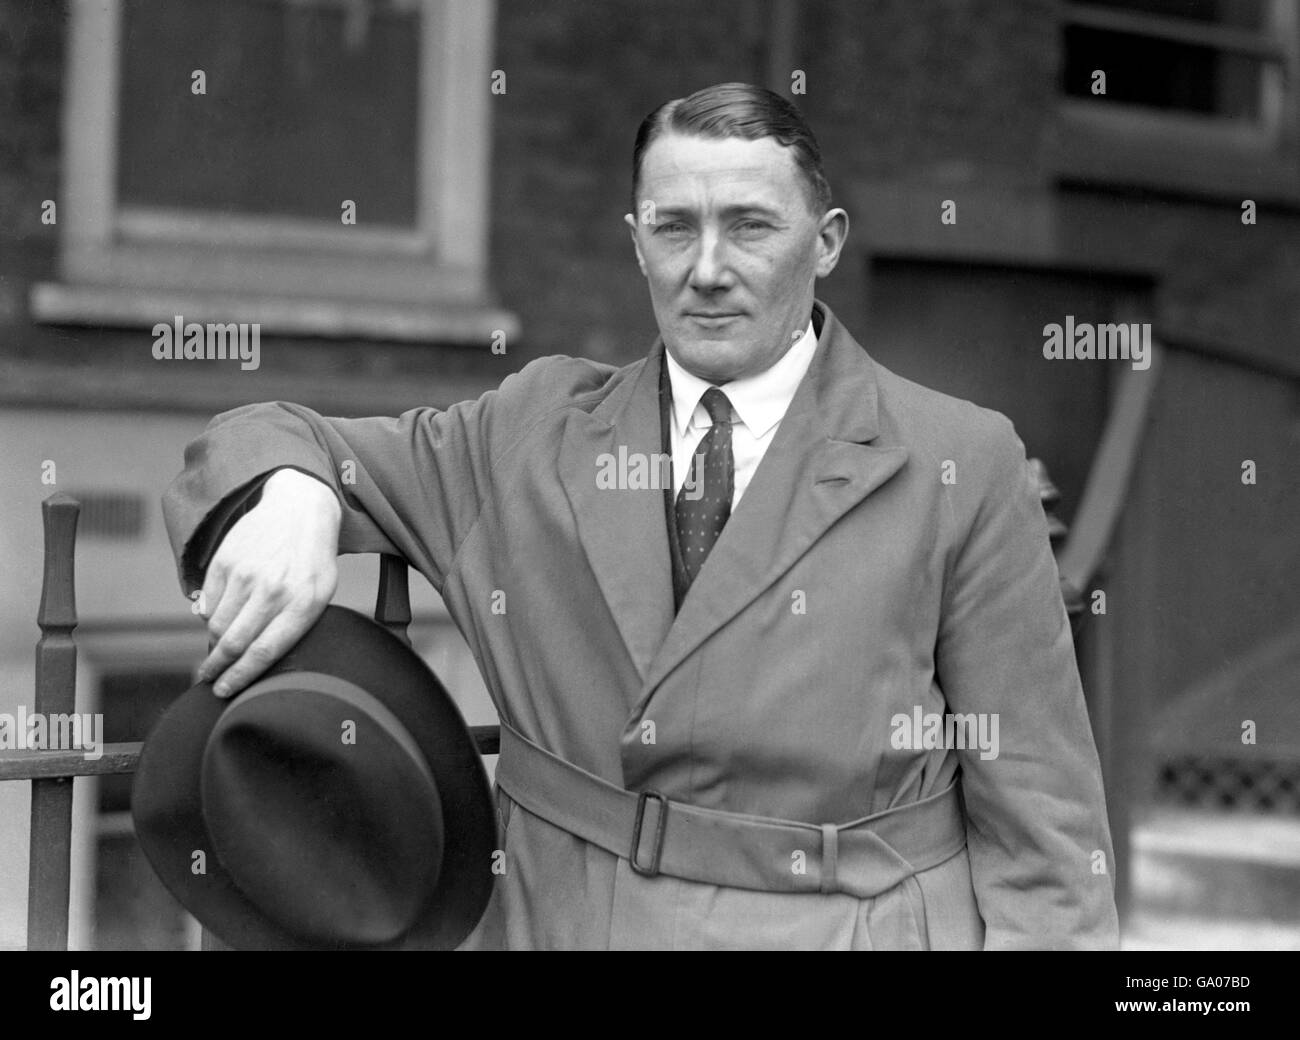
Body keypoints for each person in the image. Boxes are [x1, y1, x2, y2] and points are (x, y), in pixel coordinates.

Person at [163, 82, 1120, 950]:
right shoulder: (530, 430)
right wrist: (295, 495)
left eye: (750, 227)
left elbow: (1041, 821)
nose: (706, 269)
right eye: (674, 227)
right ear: (635, 240)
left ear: (824, 243)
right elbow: (274, 433)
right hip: (570, 921)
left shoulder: (958, 457)